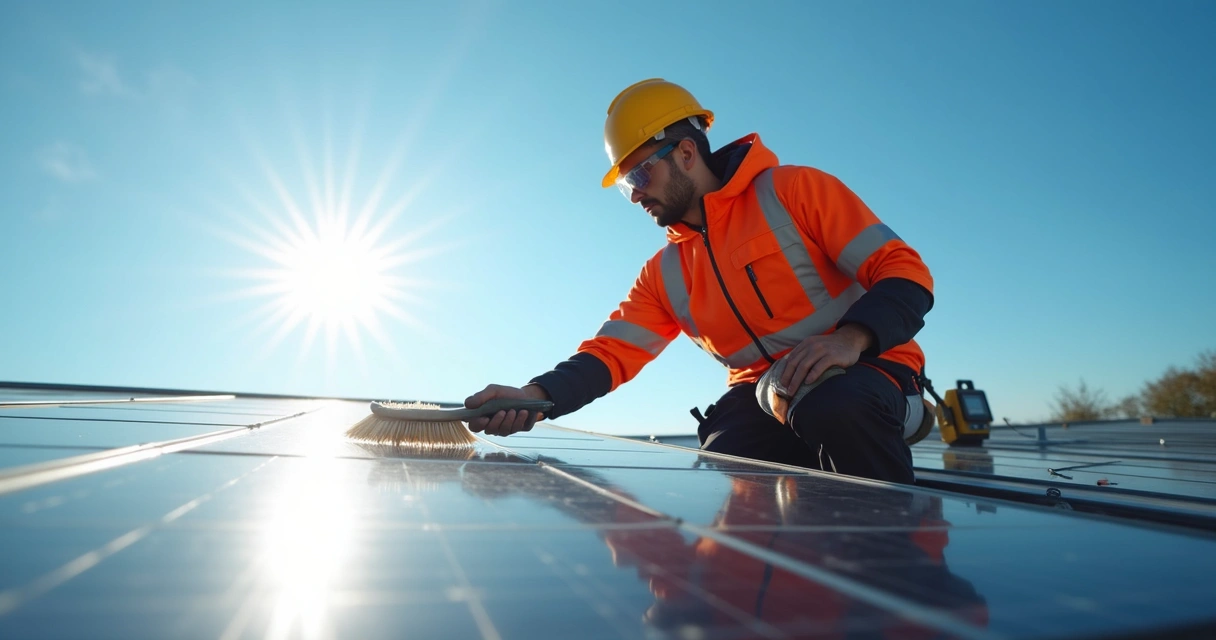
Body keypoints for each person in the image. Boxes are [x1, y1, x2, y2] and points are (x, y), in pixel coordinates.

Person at [464, 78, 936, 484]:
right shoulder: (664, 272)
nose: (636, 196)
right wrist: (535, 397)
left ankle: (901, 560)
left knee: (834, 406)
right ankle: (790, 574)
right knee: (726, 445)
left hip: (871, 371)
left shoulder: (794, 191)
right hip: (768, 393)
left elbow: (904, 273)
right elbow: (609, 356)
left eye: (641, 175)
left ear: (687, 152)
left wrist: (850, 341)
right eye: (628, 185)